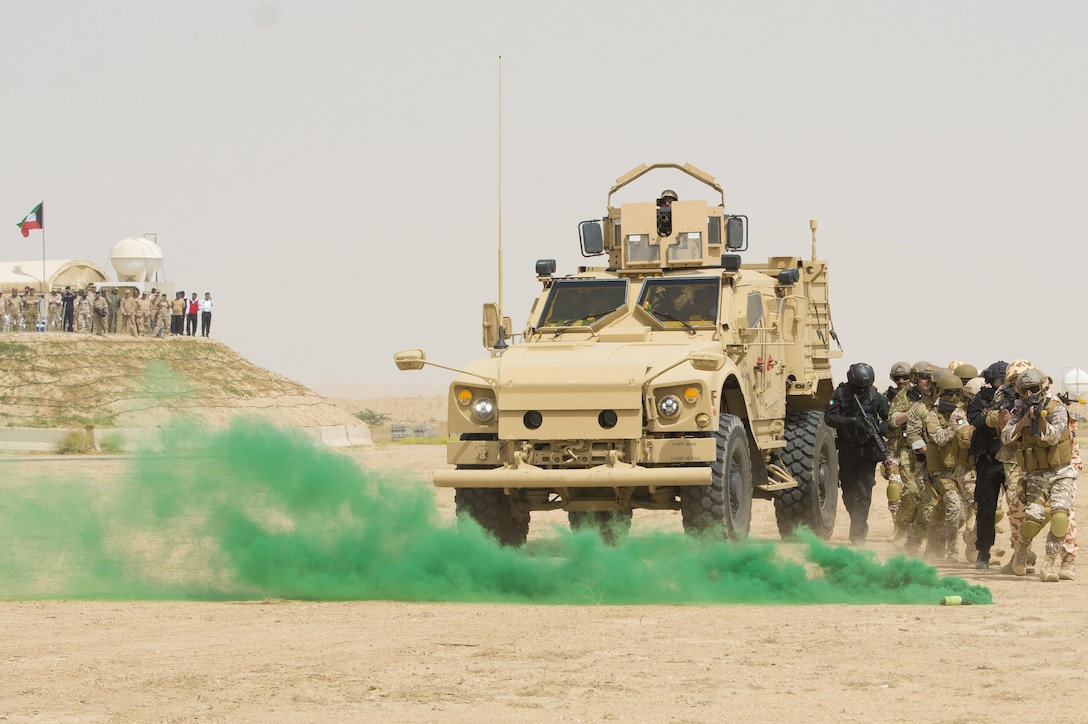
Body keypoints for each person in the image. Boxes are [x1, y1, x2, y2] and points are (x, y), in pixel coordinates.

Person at [1001, 368, 1077, 582]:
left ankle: (1050, 564)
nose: (1029, 396)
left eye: (1033, 390)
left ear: (1043, 388)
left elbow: (1053, 437)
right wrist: (1023, 422)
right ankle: (1021, 552)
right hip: (1035, 475)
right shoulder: (1018, 411)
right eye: (1024, 391)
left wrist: (1041, 421)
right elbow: (1006, 437)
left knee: (1060, 517)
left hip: (1061, 473)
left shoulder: (1057, 408)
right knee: (1034, 517)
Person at [824, 362, 890, 545]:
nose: (862, 389)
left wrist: (878, 429)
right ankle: (857, 521)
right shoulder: (840, 394)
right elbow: (829, 417)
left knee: (864, 491)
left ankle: (858, 534)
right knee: (848, 491)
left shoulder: (876, 396)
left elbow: (889, 419)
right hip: (847, 448)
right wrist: (852, 421)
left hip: (868, 450)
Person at [966, 361, 1008, 569]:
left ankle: (1022, 552)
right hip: (988, 460)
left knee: (1021, 507)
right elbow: (974, 418)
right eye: (1000, 381)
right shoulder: (981, 398)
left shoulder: (1015, 399)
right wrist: (992, 417)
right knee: (986, 508)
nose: (1003, 385)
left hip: (1011, 461)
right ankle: (983, 551)